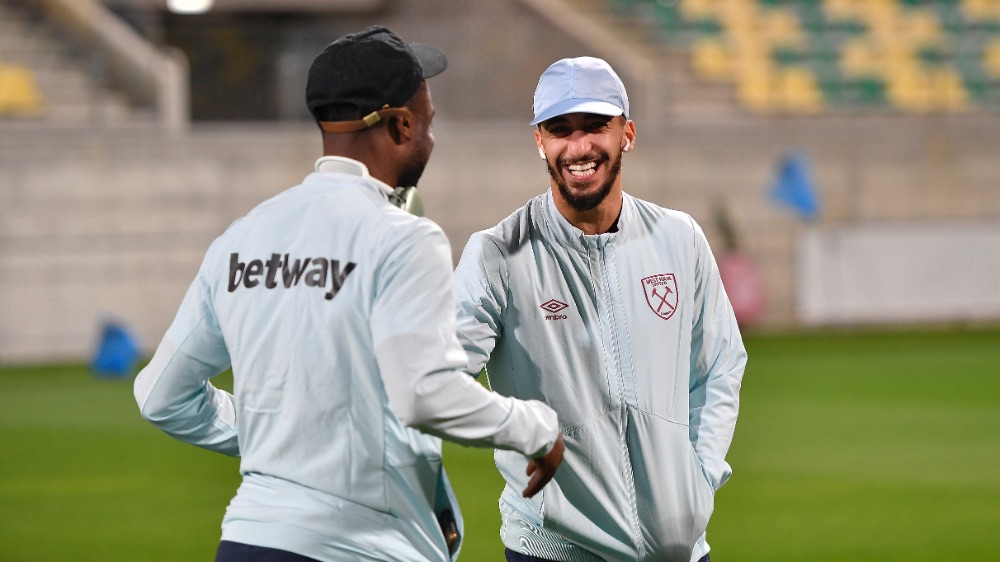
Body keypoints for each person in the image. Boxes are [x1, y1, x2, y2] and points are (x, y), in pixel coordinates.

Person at [133, 26, 564, 562]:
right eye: (429, 121)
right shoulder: (403, 237)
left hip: (248, 541)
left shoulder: (244, 236)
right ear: (402, 125)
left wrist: (286, 434)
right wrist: (536, 428)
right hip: (364, 548)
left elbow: (160, 395)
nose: (431, 135)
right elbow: (425, 394)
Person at [452, 56, 747, 562]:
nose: (579, 146)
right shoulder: (498, 254)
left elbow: (719, 366)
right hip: (553, 549)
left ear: (627, 133)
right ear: (539, 141)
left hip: (678, 549)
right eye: (560, 129)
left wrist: (697, 482)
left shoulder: (679, 238)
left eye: (595, 127)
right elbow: (438, 379)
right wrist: (522, 430)